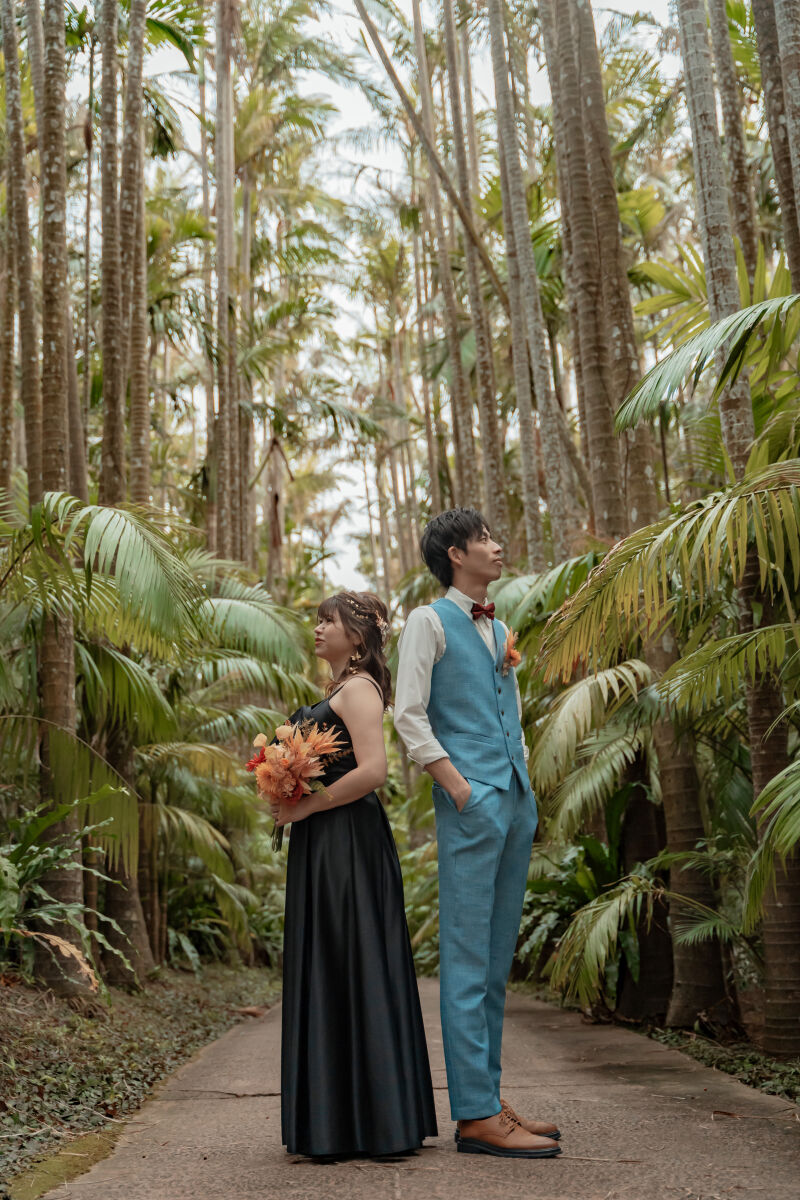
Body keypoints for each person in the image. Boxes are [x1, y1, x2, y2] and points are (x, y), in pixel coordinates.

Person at [394, 508, 561, 1159]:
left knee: (494, 966)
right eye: (487, 537)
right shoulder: (427, 622)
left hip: (513, 803)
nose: (499, 544)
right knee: (466, 964)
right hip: (471, 805)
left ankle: (488, 1100)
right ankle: (473, 1115)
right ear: (456, 553)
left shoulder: (499, 628)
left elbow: (510, 717)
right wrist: (459, 788)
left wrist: (524, 795)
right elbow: (407, 716)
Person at [273, 590, 438, 1160]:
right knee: (330, 962)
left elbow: (372, 771)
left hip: (347, 843)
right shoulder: (338, 689)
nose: (317, 629)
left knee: (353, 958)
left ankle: (371, 1122)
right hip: (323, 843)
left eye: (329, 621)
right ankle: (337, 1121)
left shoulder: (362, 689)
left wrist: (307, 806)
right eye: (316, 621)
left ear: (359, 636)